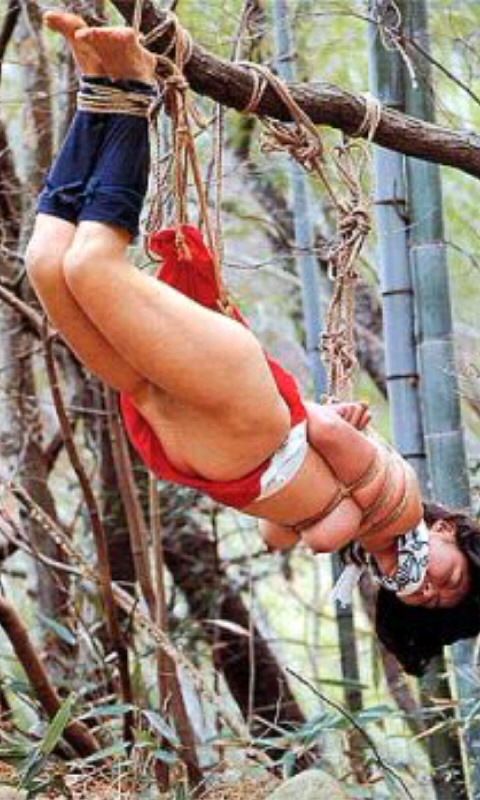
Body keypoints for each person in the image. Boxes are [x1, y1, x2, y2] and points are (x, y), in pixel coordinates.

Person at [25, 12, 480, 675]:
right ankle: (134, 86)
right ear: (449, 532)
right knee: (92, 267)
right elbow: (326, 431)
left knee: (47, 263)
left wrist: (319, 516)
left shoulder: (364, 526)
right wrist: (329, 486)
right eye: (451, 580)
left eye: (427, 604)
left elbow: (275, 526)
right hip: (247, 415)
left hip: (190, 433)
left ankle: (100, 88)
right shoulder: (398, 505)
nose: (431, 589)